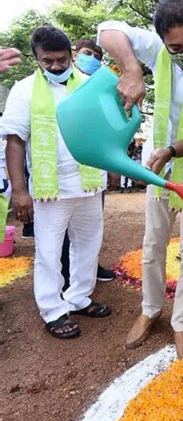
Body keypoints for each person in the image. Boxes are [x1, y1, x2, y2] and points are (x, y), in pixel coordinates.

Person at [98, 0, 183, 358]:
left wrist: (171, 150)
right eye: (177, 47)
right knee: (153, 244)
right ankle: (150, 310)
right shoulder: (156, 49)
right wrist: (131, 68)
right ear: (163, 41)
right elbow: (106, 30)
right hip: (159, 171)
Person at [0, 26, 110, 339]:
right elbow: (15, 141)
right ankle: (52, 310)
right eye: (48, 61)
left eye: (62, 60)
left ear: (71, 55)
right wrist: (20, 191)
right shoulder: (24, 90)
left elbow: (101, 128)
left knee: (88, 245)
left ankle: (79, 297)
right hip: (51, 190)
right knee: (49, 253)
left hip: (88, 182)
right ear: (37, 58)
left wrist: (111, 167)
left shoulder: (87, 85)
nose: (56, 67)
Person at [60, 38, 116, 287]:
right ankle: (63, 273)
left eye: (97, 56)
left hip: (93, 170)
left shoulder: (100, 87)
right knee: (60, 230)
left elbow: (108, 128)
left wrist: (113, 167)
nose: (92, 59)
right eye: (86, 53)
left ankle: (91, 268)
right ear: (74, 55)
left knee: (90, 228)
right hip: (61, 172)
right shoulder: (57, 84)